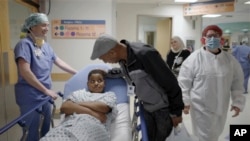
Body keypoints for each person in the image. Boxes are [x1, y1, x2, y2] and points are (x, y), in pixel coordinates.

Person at [90, 34, 184, 141]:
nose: (105, 62)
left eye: (104, 59)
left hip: (162, 110)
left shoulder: (145, 54)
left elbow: (170, 82)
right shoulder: (123, 57)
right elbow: (133, 73)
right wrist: (109, 73)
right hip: (147, 106)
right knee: (149, 137)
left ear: (112, 52)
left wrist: (176, 112)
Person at [14, 13, 77, 141]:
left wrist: (78, 73)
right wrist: (45, 90)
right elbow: (25, 71)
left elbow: (59, 62)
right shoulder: (24, 45)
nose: (47, 28)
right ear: (32, 27)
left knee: (45, 130)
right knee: (31, 133)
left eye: (48, 25)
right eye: (43, 25)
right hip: (30, 96)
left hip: (45, 95)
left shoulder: (45, 46)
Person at [178, 25, 246, 141]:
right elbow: (184, 82)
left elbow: (237, 83)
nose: (213, 39)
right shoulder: (194, 59)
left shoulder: (230, 60)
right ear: (203, 39)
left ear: (221, 39)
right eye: (209, 36)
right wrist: (185, 102)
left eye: (216, 36)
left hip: (221, 106)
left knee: (215, 133)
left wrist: (237, 102)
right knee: (204, 136)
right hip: (201, 107)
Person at [40, 69, 117, 141]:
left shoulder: (109, 95)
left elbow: (104, 108)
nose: (96, 83)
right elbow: (65, 107)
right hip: (70, 125)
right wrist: (94, 113)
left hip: (95, 127)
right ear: (88, 84)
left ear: (104, 83)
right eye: (92, 81)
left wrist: (77, 104)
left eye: (99, 81)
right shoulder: (79, 94)